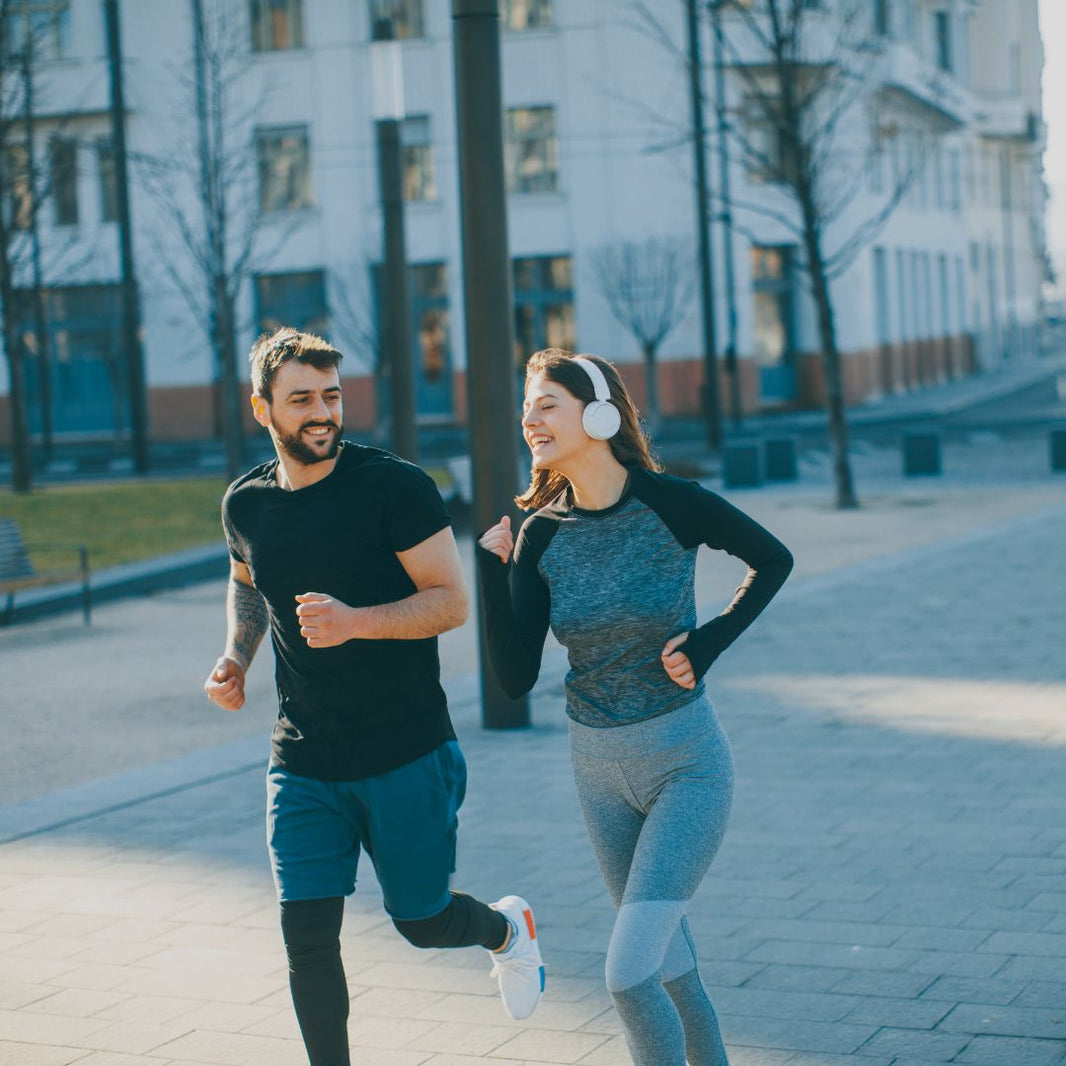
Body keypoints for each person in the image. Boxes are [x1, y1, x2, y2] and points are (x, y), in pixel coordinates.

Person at [203, 328, 544, 1066]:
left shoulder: (395, 488)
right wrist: (236, 654)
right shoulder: (247, 504)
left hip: (405, 750)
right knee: (307, 939)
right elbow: (247, 582)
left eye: (331, 396)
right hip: (302, 758)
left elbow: (450, 603)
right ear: (262, 408)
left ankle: (506, 931)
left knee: (421, 921)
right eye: (301, 400)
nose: (322, 413)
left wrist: (356, 623)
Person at [476, 348, 793, 1066]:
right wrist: (496, 577)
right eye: (527, 407)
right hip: (598, 774)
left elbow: (772, 559)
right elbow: (514, 678)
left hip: (687, 767)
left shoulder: (671, 503)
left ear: (597, 413)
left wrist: (708, 643)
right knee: (672, 971)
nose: (530, 419)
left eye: (546, 403)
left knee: (627, 974)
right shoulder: (541, 535)